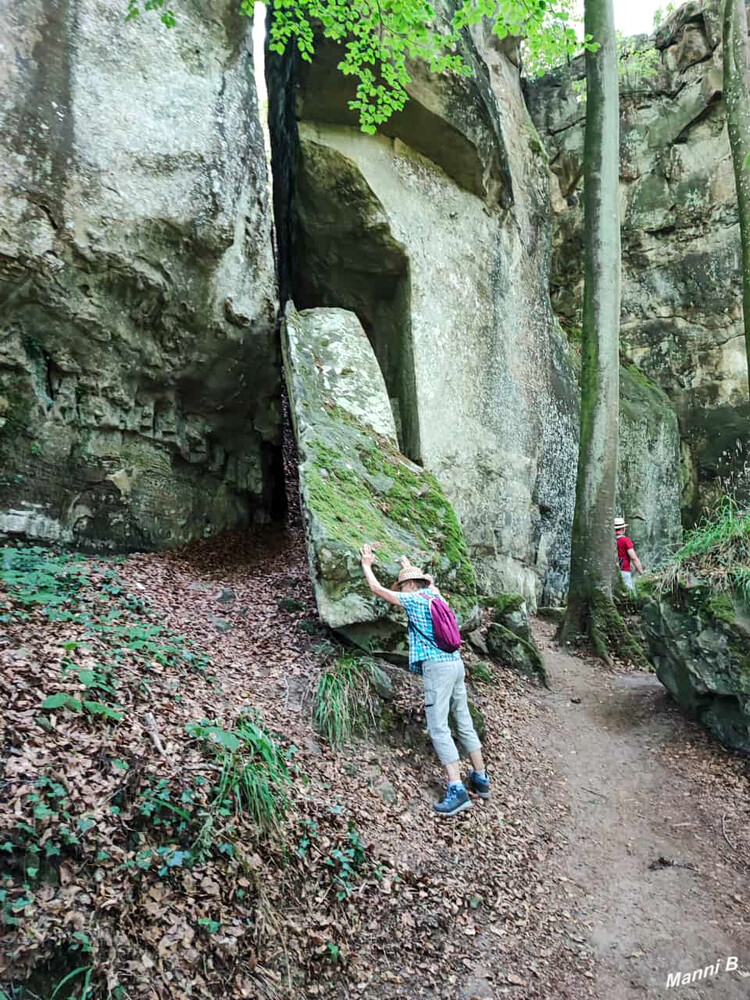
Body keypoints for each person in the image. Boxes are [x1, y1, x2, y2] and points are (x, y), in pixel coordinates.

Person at [359, 543, 489, 817]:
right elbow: (425, 584)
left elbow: (378, 591)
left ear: (408, 586)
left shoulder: (413, 600)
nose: (402, 588)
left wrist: (367, 565)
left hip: (437, 669)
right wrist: (407, 566)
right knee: (463, 719)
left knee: (439, 726)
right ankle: (481, 778)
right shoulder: (435, 597)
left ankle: (456, 790)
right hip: (456, 664)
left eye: (403, 584)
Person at [615, 516, 644, 591]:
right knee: (628, 593)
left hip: (612, 573)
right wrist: (641, 572)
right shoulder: (625, 540)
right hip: (624, 571)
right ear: (623, 529)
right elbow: (633, 558)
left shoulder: (610, 541)